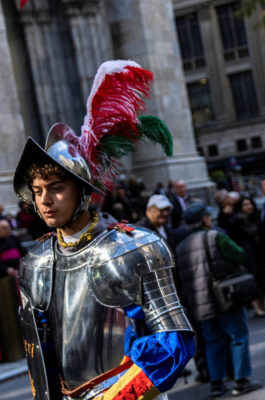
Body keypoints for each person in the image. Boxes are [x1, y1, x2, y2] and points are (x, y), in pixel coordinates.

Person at [13, 60, 194, 399]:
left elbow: (173, 342)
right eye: (37, 191)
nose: (45, 200)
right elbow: (39, 357)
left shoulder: (135, 247)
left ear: (83, 191)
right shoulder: (34, 262)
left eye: (56, 188)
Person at [175, 203, 262, 397]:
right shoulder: (215, 236)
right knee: (238, 337)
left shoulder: (180, 247)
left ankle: (217, 383)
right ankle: (241, 380)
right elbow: (239, 254)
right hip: (224, 297)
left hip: (200, 304)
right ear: (204, 219)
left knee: (212, 341)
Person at [230, 196, 265, 317]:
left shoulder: (254, 217)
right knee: (254, 279)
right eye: (245, 204)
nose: (249, 206)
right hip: (249, 254)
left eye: (250, 204)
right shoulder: (240, 219)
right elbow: (252, 232)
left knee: (261, 278)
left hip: (257, 252)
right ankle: (257, 307)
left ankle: (262, 305)